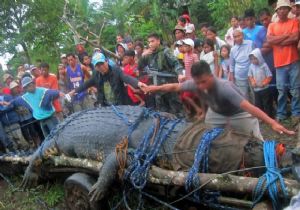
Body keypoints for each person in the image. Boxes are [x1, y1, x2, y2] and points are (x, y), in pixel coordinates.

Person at [142, 61, 295, 139]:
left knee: (257, 141)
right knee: (209, 137)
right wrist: (153, 88)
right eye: (197, 83)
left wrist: (272, 123)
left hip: (238, 114)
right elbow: (175, 87)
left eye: (203, 82)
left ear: (210, 76)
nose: (200, 86)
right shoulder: (195, 83)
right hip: (216, 113)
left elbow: (250, 108)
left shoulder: (224, 87)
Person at [69, 52, 145, 106]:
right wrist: (74, 91)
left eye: (102, 63)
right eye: (98, 65)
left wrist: (139, 83)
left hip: (120, 103)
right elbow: (86, 84)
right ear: (95, 67)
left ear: (106, 61)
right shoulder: (96, 74)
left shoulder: (115, 70)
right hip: (105, 105)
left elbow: (126, 77)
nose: (101, 67)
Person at [267, 0, 300, 123]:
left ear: (288, 10)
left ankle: (296, 113)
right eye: (280, 9)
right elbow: (270, 40)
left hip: (293, 60)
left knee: (295, 89)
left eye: (285, 8)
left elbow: (295, 38)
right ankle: (281, 113)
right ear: (276, 11)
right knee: (281, 90)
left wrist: (278, 40)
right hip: (279, 62)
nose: (282, 10)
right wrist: (287, 36)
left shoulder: (294, 22)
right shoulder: (272, 25)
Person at [138, 33, 185, 114]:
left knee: (177, 109)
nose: (150, 44)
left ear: (158, 41)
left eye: (152, 41)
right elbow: (140, 67)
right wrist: (142, 56)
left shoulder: (165, 51)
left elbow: (176, 63)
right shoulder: (148, 54)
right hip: (157, 88)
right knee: (162, 112)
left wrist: (180, 73)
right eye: (149, 42)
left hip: (169, 86)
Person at [9, 81, 42, 147]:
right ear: (12, 90)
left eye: (16, 87)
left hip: (29, 115)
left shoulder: (23, 94)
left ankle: (38, 142)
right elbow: (12, 106)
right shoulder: (11, 97)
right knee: (26, 132)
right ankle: (33, 144)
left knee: (33, 129)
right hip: (21, 117)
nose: (16, 89)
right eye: (14, 88)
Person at [248, 48, 274, 117]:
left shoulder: (264, 65)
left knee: (267, 103)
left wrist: (264, 83)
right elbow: (250, 76)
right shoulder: (251, 66)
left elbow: (269, 76)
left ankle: (269, 116)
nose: (253, 61)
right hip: (256, 89)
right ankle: (261, 116)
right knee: (258, 104)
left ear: (259, 57)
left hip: (265, 89)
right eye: (252, 59)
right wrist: (253, 82)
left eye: (255, 59)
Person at [230, 29, 255, 99]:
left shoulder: (250, 43)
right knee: (244, 96)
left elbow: (256, 56)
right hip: (240, 76)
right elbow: (232, 65)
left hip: (252, 74)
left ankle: (257, 109)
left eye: (239, 36)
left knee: (255, 94)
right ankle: (248, 110)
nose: (237, 38)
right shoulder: (233, 49)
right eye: (235, 37)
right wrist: (232, 79)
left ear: (243, 35)